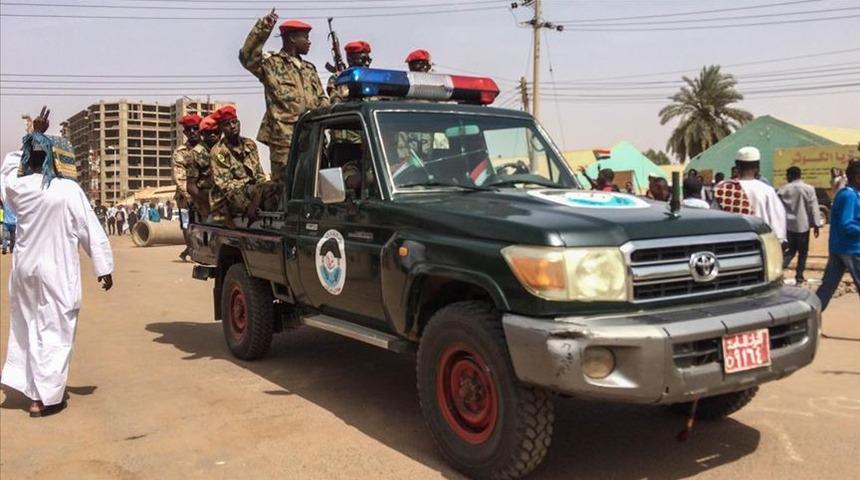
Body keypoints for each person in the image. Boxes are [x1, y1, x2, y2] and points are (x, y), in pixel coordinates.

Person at [0, 108, 114, 417]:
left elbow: (7, 167)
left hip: (25, 271)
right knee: (56, 330)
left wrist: (34, 135)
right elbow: (90, 229)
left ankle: (31, 388)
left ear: (28, 158)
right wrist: (103, 267)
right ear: (53, 158)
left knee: (28, 325)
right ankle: (45, 398)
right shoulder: (68, 190)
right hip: (57, 272)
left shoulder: (18, 189)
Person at [240, 8, 328, 182]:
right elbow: (247, 57)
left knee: (316, 184)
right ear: (292, 38)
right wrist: (264, 27)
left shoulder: (309, 69)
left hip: (312, 136)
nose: (309, 42)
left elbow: (322, 98)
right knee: (285, 187)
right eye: (306, 38)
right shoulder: (271, 64)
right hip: (284, 140)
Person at [209, 105, 272, 226]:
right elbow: (226, 187)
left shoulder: (250, 144)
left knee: (274, 188)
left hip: (251, 193)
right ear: (221, 128)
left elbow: (259, 175)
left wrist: (258, 197)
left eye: (234, 122)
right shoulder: (218, 151)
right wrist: (248, 206)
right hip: (226, 201)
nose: (233, 126)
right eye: (227, 124)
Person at [714, 146, 787, 242]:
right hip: (761, 243)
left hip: (731, 244)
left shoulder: (722, 189)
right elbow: (778, 223)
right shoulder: (767, 190)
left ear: (737, 165)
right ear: (757, 166)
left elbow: (715, 218)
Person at [816, 159, 860, 310]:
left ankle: (808, 319)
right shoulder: (849, 196)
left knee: (827, 287)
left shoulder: (849, 194)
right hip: (852, 249)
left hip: (838, 248)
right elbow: (846, 224)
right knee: (827, 287)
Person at [778, 166, 823, 284]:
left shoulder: (783, 190)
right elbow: (813, 208)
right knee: (803, 253)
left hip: (787, 226)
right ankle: (799, 276)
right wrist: (816, 225)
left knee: (790, 251)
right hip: (803, 225)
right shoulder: (808, 189)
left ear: (791, 176)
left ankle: (777, 272)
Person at [173, 114, 202, 259]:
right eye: (189, 130)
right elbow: (180, 177)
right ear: (185, 133)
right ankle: (190, 250)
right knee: (187, 224)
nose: (192, 132)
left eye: (195, 128)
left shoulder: (208, 148)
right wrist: (190, 197)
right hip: (185, 198)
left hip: (203, 194)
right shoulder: (181, 152)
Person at [186, 114, 221, 219]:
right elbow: (191, 186)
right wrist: (209, 202)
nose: (213, 135)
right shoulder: (196, 153)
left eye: (216, 131)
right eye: (209, 132)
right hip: (207, 197)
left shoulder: (224, 149)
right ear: (202, 134)